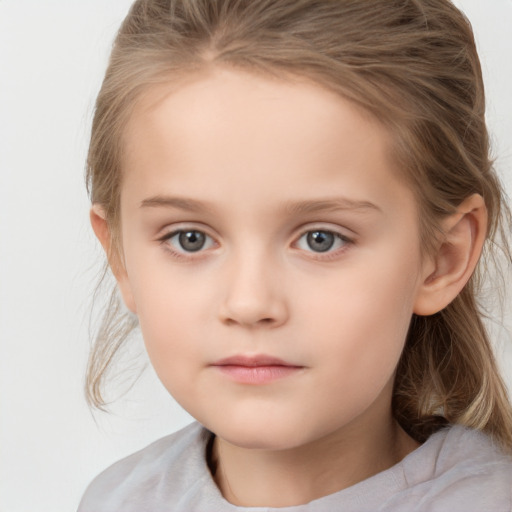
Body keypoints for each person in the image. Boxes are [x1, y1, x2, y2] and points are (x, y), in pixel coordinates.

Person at [78, 0, 512, 510]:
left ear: (442, 257)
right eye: (189, 238)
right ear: (121, 258)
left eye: (320, 239)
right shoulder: (116, 500)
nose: (248, 303)